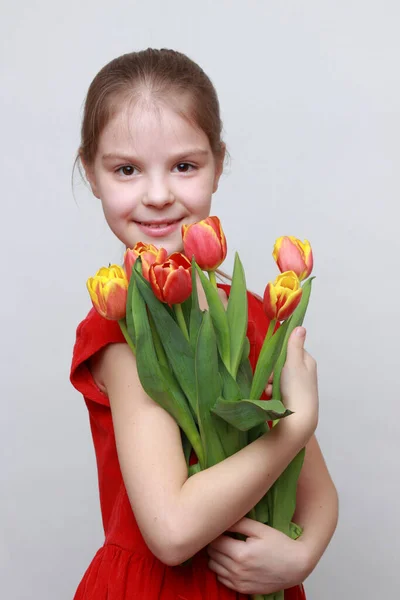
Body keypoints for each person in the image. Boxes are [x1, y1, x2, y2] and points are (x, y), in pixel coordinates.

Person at [70, 48, 338, 599]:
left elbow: (318, 496)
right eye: (126, 169)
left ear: (218, 162)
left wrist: (301, 556)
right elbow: (171, 532)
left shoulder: (261, 316)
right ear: (91, 175)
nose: (159, 194)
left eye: (184, 166)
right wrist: (295, 423)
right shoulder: (120, 330)